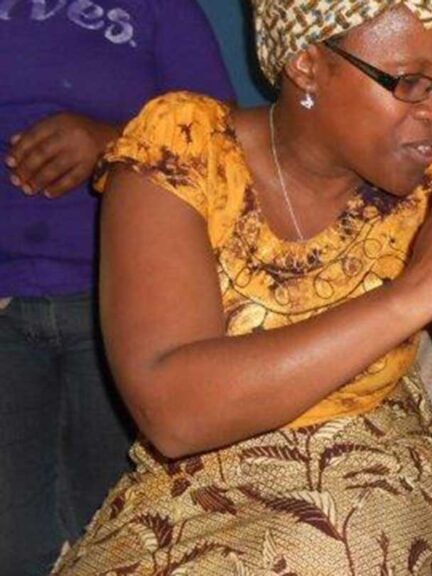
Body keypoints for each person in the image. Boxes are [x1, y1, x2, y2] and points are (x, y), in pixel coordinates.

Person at [50, 2, 432, 574]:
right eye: (408, 82)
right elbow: (174, 416)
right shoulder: (182, 150)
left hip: (361, 472)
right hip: (188, 489)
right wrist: (416, 291)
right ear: (307, 64)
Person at [0, 2, 235, 573]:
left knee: (122, 537)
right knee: (13, 546)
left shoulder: (162, 9)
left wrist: (114, 144)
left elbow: (222, 144)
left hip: (125, 309)